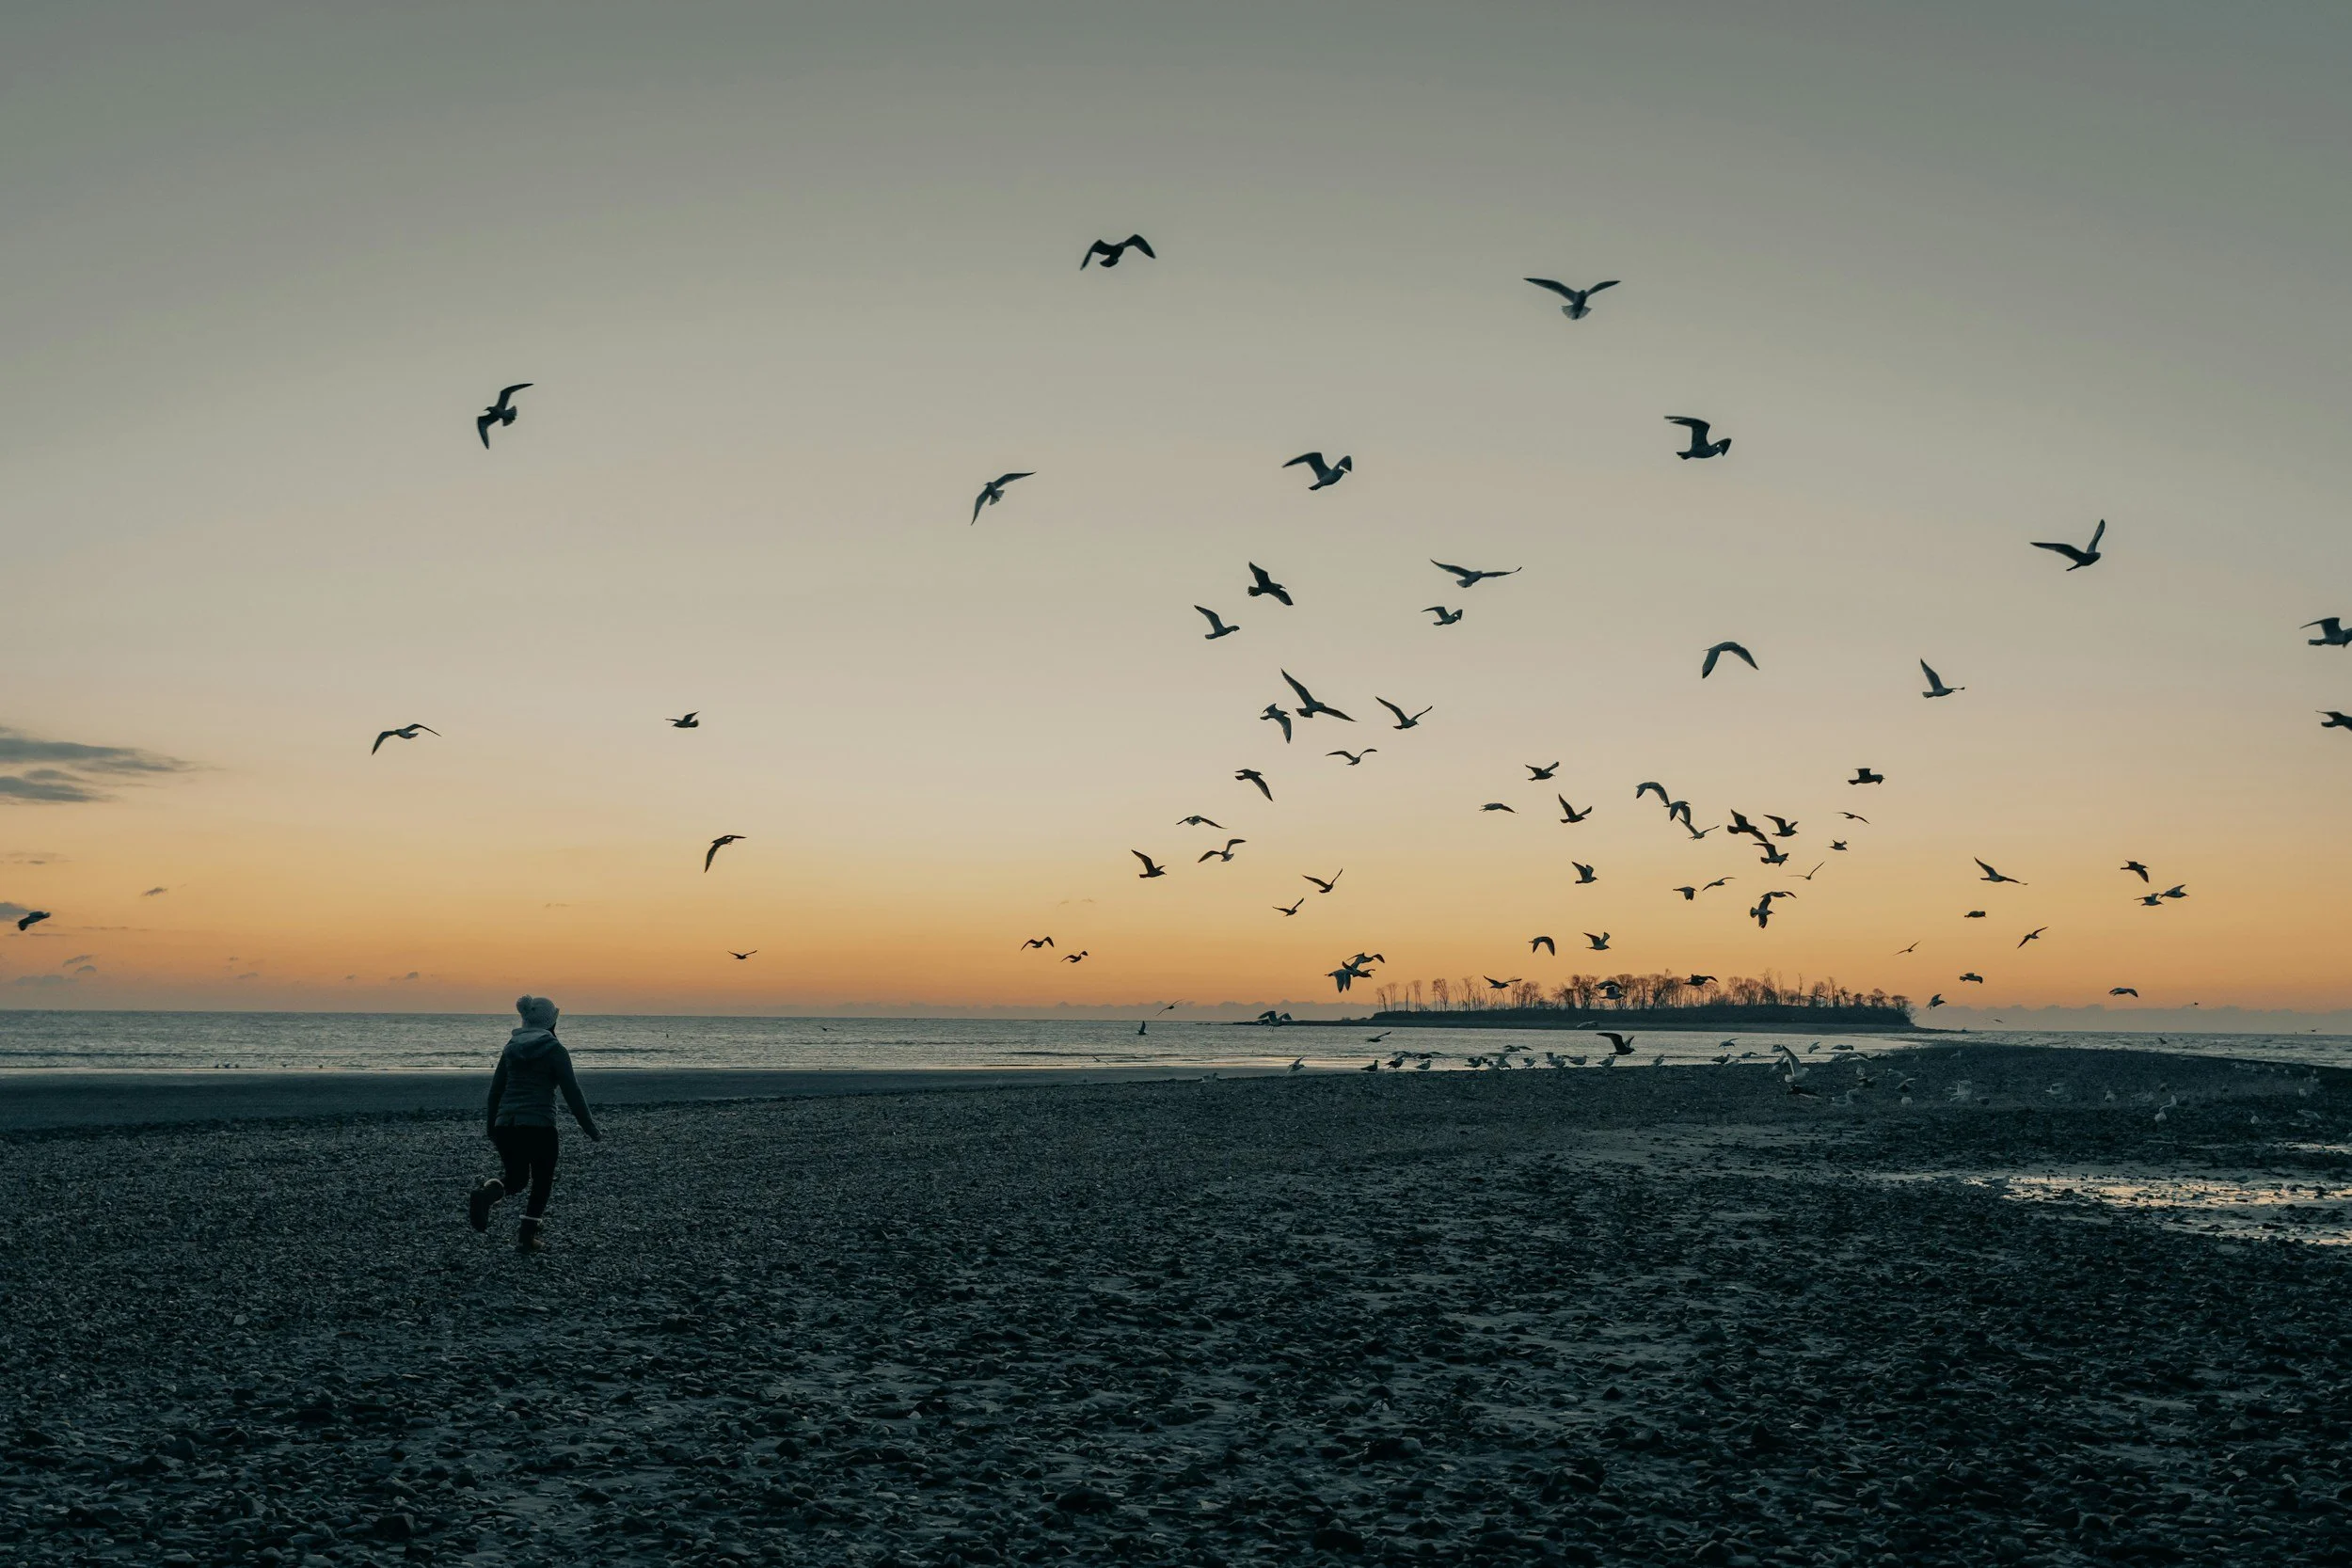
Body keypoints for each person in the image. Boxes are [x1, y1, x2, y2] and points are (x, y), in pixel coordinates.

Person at [469, 995, 599, 1251]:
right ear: (552, 1022)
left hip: (506, 1124)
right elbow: (572, 1092)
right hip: (539, 1125)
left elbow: (496, 1091)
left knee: (516, 1179)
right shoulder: (555, 1050)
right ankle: (526, 1238)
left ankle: (486, 1195)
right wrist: (590, 1128)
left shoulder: (511, 1047)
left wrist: (491, 1125)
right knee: (542, 1181)